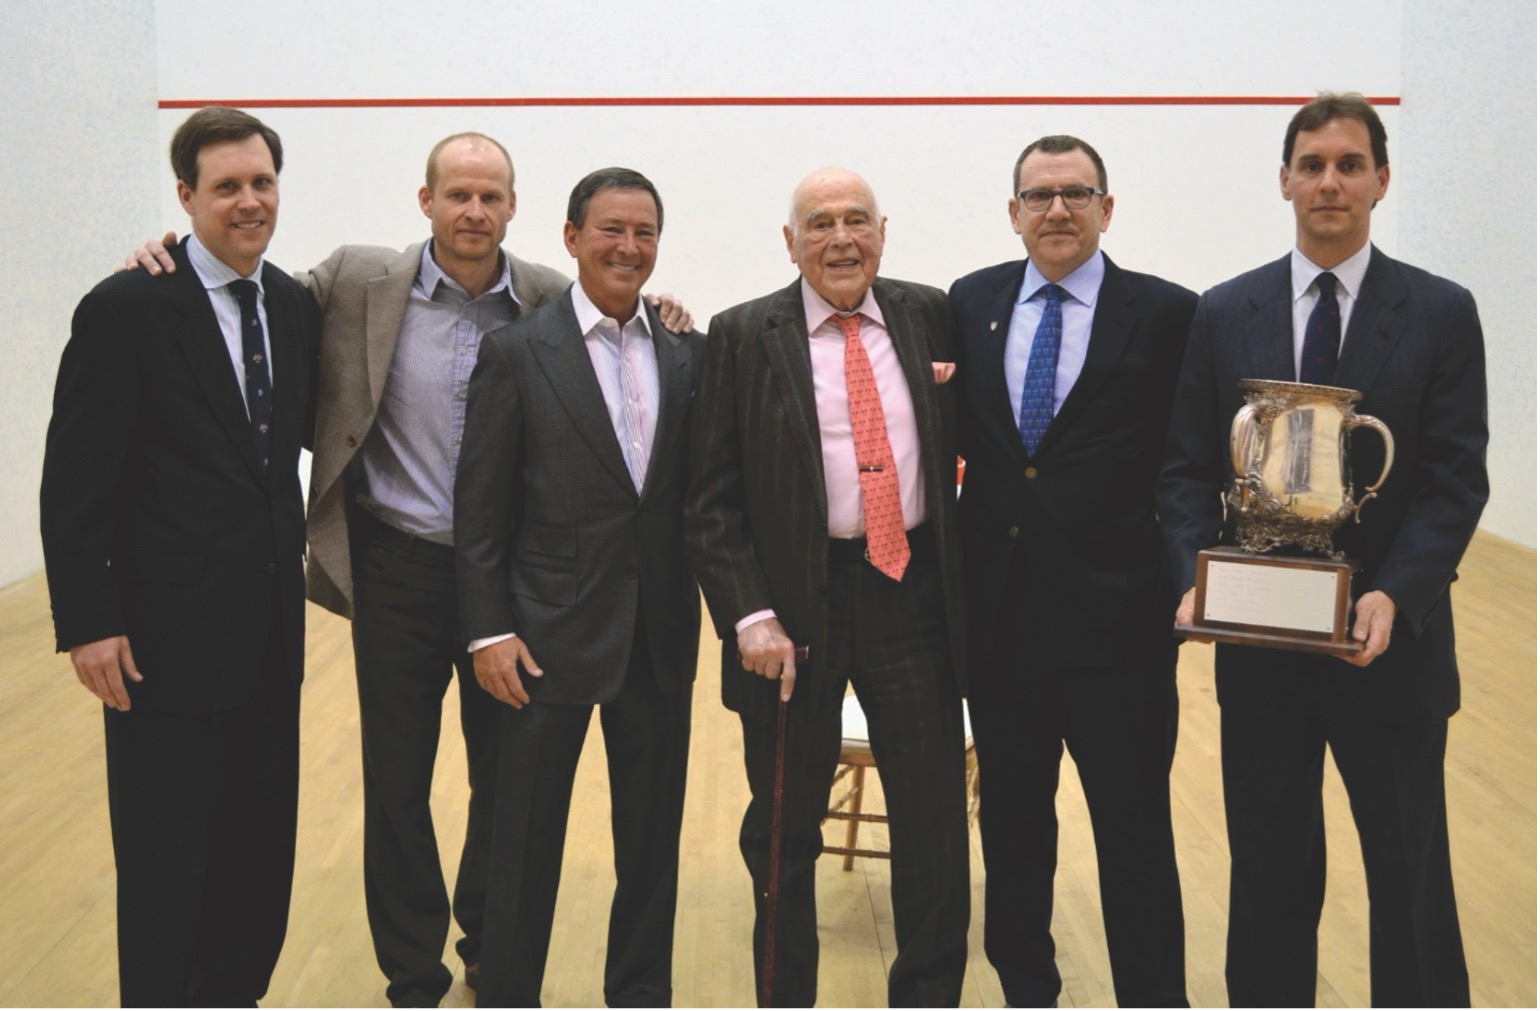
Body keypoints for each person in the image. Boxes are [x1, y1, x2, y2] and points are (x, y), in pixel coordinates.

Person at [126, 134, 690, 1006]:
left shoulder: (544, 293)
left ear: (515, 209)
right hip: (396, 567)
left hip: (508, 584)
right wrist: (168, 252)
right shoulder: (354, 280)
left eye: (491, 197)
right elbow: (248, 294)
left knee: (503, 781)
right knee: (397, 783)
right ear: (425, 201)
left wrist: (669, 314)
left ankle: (487, 946)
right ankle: (412, 970)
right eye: (457, 195)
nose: (474, 212)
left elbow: (618, 318)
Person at [1158, 92, 1487, 1006]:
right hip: (1263, 650)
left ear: (1382, 179)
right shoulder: (1225, 310)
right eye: (1312, 165)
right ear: (1284, 182)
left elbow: (1456, 479)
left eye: (1349, 164)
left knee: (1408, 879)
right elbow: (1185, 468)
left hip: (1391, 648)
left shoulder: (1442, 311)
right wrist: (1195, 574)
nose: (1330, 182)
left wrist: (1398, 592)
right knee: (1267, 875)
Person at [39, 105, 320, 1006]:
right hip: (162, 650)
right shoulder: (127, 306)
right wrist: (90, 622)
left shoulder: (293, 303)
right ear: (185, 197)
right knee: (167, 876)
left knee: (255, 871)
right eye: (227, 185)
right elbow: (75, 484)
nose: (249, 201)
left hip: (270, 648)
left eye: (262, 182)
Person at [686, 167, 970, 1007]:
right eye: (818, 222)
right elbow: (709, 500)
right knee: (781, 833)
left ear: (884, 230)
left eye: (856, 219)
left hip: (910, 595)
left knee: (933, 827)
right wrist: (749, 612)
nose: (840, 237)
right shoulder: (740, 333)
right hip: (790, 615)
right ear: (789, 241)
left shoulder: (932, 314)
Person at [949, 135, 1194, 1007]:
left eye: (1076, 193)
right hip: (1003, 621)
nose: (1058, 209)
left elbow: (1191, 461)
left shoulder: (1168, 314)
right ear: (1013, 212)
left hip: (1120, 627)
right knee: (1012, 826)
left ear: (1107, 208)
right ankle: (1026, 990)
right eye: (1039, 195)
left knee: (1134, 833)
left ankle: (1155, 996)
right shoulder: (970, 301)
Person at [455, 167, 702, 1008]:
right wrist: (487, 630)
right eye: (610, 230)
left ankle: (639, 992)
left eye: (644, 232)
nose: (628, 247)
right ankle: (508, 993)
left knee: (651, 844)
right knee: (522, 846)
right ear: (570, 238)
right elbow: (479, 511)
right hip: (542, 639)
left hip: (658, 639)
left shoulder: (685, 350)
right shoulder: (518, 352)